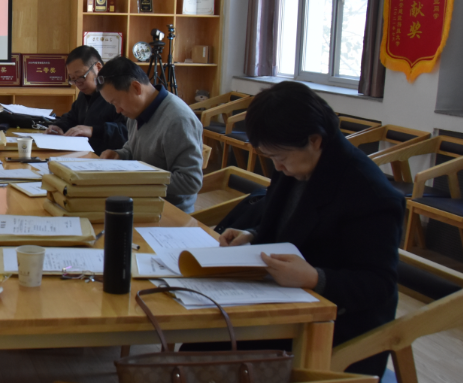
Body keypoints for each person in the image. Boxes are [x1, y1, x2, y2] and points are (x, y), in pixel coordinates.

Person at [214, 81, 404, 376]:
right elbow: (293, 222)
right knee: (199, 349)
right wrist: (253, 233)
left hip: (333, 325)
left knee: (213, 357)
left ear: (314, 140)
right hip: (283, 304)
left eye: (280, 158)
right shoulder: (297, 163)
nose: (278, 167)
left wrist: (315, 277)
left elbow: (379, 283)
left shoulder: (369, 194)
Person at [95, 57, 203, 212]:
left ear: (136, 87)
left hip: (168, 209)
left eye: (116, 102)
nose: (117, 110)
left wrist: (138, 178)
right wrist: (119, 155)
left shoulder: (178, 120)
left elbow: (190, 181)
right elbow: (133, 148)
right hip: (141, 198)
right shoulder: (136, 111)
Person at [46, 45, 128, 154]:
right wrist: (58, 126)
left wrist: (93, 130)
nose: (78, 84)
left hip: (106, 158)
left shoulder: (117, 93)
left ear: (98, 67)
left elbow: (126, 132)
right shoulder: (84, 94)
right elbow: (72, 117)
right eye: (73, 79)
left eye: (81, 77)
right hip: (83, 155)